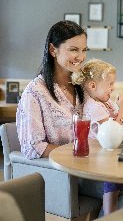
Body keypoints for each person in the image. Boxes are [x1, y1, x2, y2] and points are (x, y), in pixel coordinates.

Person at [71, 59, 123, 215]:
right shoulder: (93, 106)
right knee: (114, 176)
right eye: (110, 84)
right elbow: (113, 132)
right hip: (98, 159)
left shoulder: (106, 102)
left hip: (111, 154)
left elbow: (116, 119)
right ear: (92, 86)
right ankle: (110, 215)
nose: (113, 88)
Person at [17, 20, 87, 159]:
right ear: (53, 50)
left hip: (88, 166)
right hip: (58, 172)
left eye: (84, 50)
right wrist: (77, 152)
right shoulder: (34, 93)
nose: (81, 57)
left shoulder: (84, 87)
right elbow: (34, 147)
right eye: (73, 49)